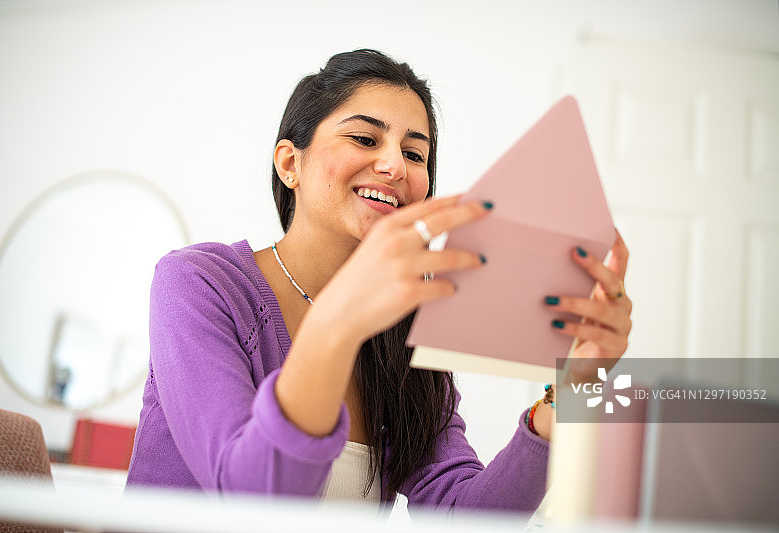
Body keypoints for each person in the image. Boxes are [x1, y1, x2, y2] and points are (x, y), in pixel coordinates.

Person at [125, 49, 633, 514]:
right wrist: (338, 323)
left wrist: (574, 388)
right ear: (289, 163)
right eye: (365, 138)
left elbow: (467, 515)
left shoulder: (407, 332)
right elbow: (250, 496)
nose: (394, 165)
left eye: (415, 155)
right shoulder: (199, 284)